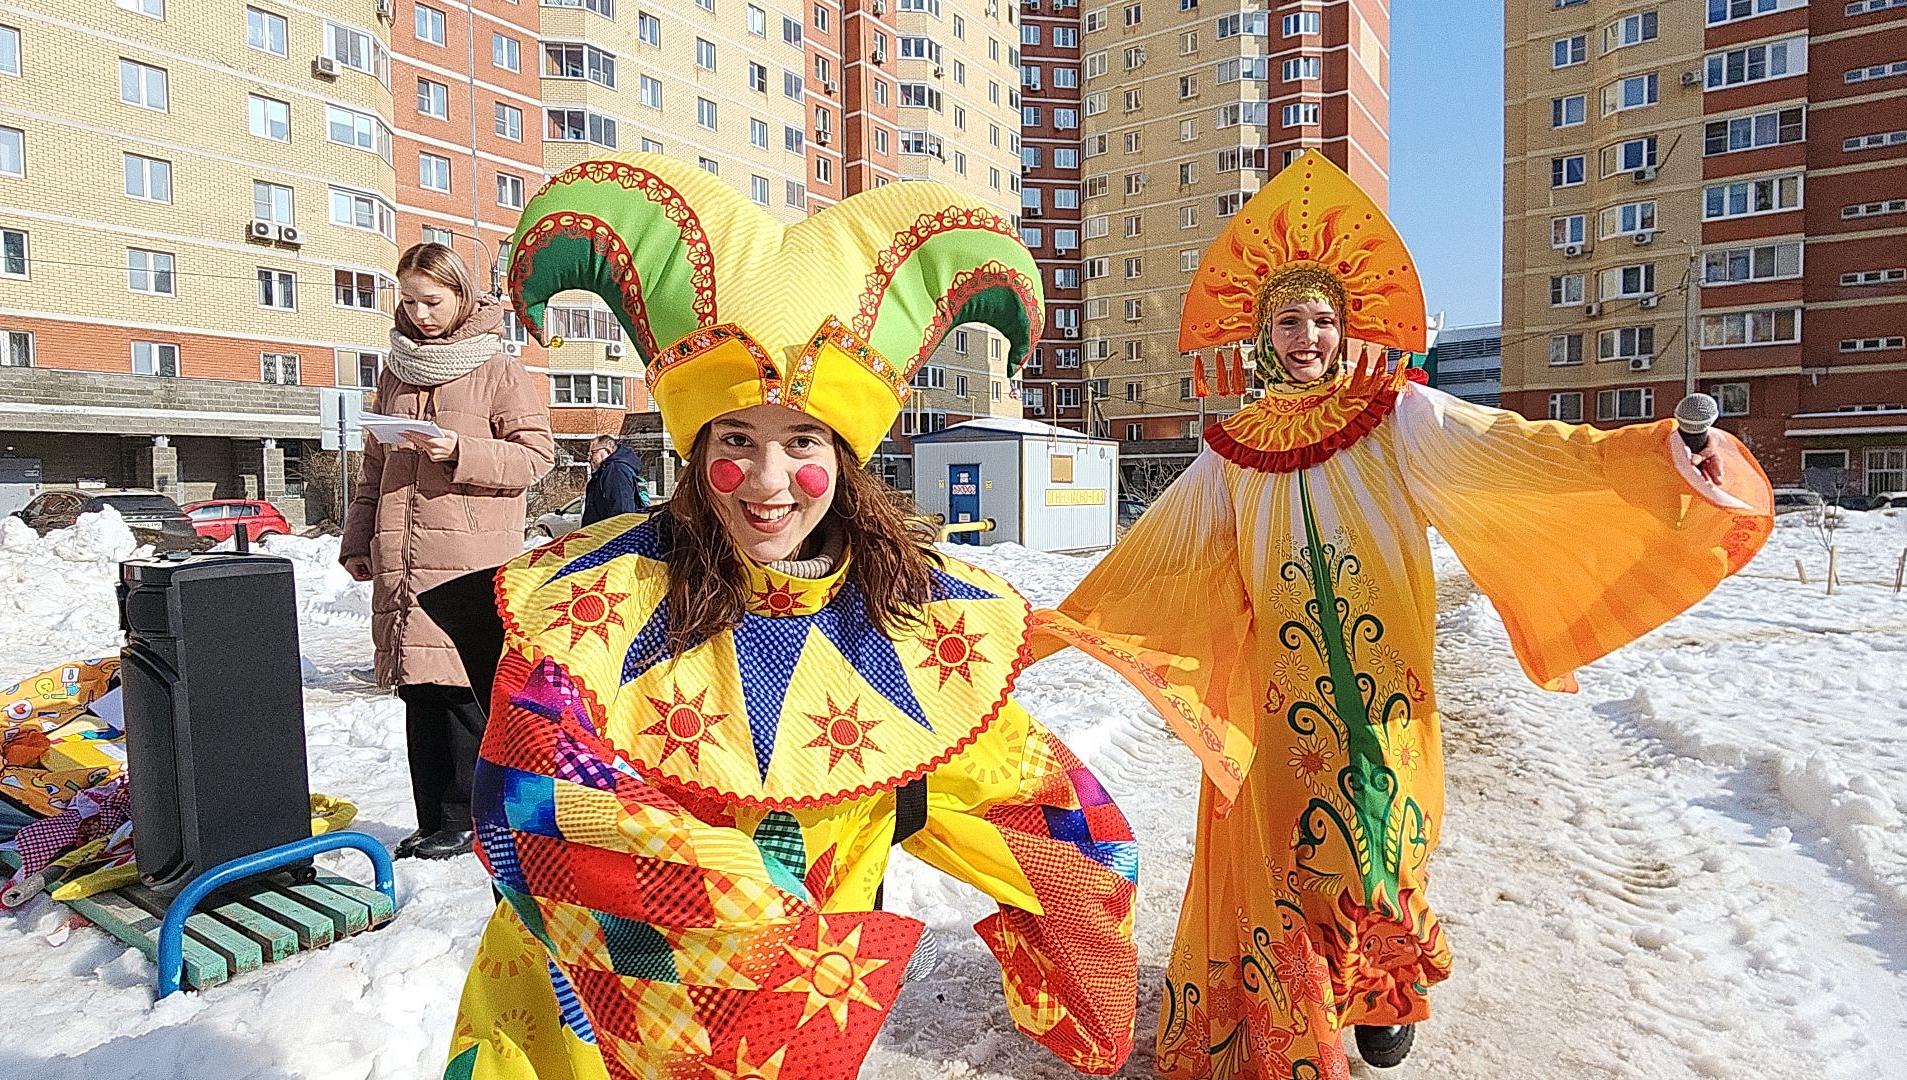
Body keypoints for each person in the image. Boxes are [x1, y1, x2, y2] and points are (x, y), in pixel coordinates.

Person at [1030, 152, 1776, 1078]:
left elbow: (1516, 451)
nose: (1307, 337)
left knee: (1386, 835)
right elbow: (1161, 552)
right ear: (1262, 335)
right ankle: (1306, 995)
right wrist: (1054, 622)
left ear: (1347, 329)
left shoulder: (1397, 414)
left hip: (1386, 687)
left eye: (1322, 320)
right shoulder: (1232, 450)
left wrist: (1653, 455)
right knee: (1295, 849)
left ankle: (1384, 989)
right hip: (1280, 694)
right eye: (1289, 321)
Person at [443, 155, 1140, 1079]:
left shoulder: (907, 617)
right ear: (696, 449)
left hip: (794, 1034)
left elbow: (1024, 798)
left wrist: (1085, 893)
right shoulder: (595, 605)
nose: (768, 483)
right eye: (736, 439)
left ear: (844, 458)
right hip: (592, 1018)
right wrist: (751, 923)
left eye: (801, 441)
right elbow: (532, 800)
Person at [339, 243, 553, 861]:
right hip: (401, 553)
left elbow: (537, 457)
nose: (420, 314)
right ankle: (431, 816)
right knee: (417, 689)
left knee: (461, 692)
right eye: (409, 301)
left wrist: (459, 449)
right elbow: (374, 469)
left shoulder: (498, 368)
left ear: (461, 295)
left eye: (432, 301)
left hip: (469, 555)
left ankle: (469, 818)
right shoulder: (396, 370)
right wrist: (358, 541)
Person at [579, 433, 645, 525]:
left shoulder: (615, 471)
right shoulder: (606, 471)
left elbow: (621, 512)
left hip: (610, 531)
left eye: (593, 453)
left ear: (607, 451)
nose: (589, 458)